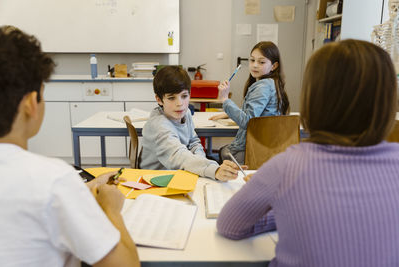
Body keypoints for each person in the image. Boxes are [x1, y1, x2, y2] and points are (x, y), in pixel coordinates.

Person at [217, 39, 399, 267]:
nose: (254, 64)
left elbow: (229, 225)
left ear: (314, 98)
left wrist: (288, 210)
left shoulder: (286, 167)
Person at [0, 26, 139, 267]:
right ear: (32, 103)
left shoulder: (56, 184)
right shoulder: (53, 179)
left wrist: (84, 189)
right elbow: (125, 265)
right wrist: (111, 209)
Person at [139, 66, 240, 181]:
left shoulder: (185, 113)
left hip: (178, 172)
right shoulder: (159, 125)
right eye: (172, 98)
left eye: (184, 96)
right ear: (159, 100)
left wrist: (201, 163)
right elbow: (179, 156)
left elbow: (193, 142)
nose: (180, 103)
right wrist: (213, 169)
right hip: (154, 180)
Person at [210, 41, 290, 164]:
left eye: (261, 62)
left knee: (220, 153)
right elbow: (258, 112)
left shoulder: (262, 87)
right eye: (252, 60)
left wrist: (225, 99)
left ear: (274, 66)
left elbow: (248, 122)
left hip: (252, 151)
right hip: (267, 149)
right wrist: (228, 113)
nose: (255, 65)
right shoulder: (273, 83)